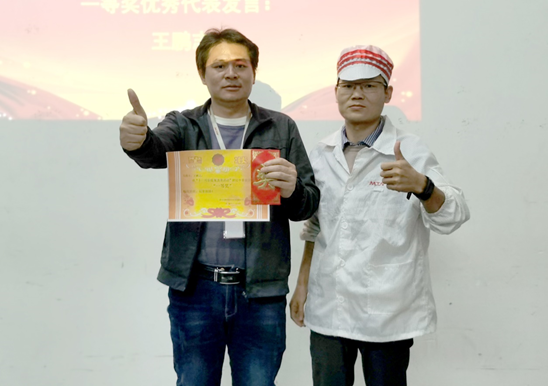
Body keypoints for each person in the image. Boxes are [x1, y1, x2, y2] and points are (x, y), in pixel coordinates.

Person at [119, 28, 320, 386]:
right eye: (220, 66)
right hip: (195, 289)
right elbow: (155, 152)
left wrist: (291, 190)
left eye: (240, 65)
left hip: (260, 291)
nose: (231, 74)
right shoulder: (184, 124)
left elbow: (307, 205)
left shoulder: (281, 127)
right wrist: (138, 141)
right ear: (202, 74)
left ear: (253, 73)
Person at [290, 45, 470, 386]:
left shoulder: (410, 150)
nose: (357, 94)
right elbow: (315, 226)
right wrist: (301, 285)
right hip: (330, 304)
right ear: (336, 92)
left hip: (388, 309)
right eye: (348, 86)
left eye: (369, 86)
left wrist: (423, 186)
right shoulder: (321, 153)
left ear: (387, 93)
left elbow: (455, 214)